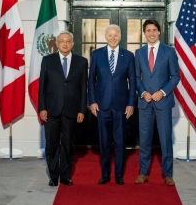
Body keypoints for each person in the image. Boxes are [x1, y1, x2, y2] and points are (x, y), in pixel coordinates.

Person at [38, 31, 88, 186]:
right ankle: (53, 176)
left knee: (68, 145)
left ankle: (65, 176)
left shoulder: (81, 62)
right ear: (57, 44)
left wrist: (82, 110)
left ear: (72, 44)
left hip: (72, 110)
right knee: (52, 144)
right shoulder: (47, 60)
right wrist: (42, 108)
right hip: (51, 110)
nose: (65, 44)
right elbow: (42, 87)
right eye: (62, 41)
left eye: (68, 41)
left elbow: (83, 88)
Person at [88, 24, 136, 185]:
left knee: (120, 142)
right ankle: (105, 174)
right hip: (102, 106)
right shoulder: (96, 55)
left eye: (116, 35)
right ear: (106, 37)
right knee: (104, 141)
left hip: (121, 107)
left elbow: (133, 83)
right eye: (110, 35)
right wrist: (92, 101)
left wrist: (131, 104)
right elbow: (91, 81)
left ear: (120, 37)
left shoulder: (128, 56)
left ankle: (119, 175)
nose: (113, 38)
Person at [134, 19, 180, 186]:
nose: (151, 33)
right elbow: (136, 78)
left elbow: (175, 76)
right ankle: (143, 173)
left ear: (159, 32)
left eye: (154, 30)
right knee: (144, 139)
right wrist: (143, 92)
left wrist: (162, 92)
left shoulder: (169, 52)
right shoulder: (139, 53)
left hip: (163, 101)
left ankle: (168, 174)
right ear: (144, 33)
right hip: (144, 103)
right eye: (148, 30)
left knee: (165, 139)